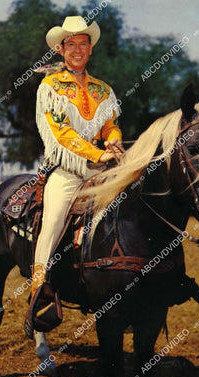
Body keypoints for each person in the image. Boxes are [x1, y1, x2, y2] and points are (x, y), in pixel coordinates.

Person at [29, 16, 123, 323]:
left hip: (102, 169)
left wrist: (114, 143)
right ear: (61, 49)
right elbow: (63, 134)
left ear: (91, 49)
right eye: (71, 44)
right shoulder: (50, 86)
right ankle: (39, 293)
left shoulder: (103, 89)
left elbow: (110, 126)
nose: (78, 49)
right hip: (68, 171)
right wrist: (98, 154)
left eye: (83, 43)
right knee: (54, 220)